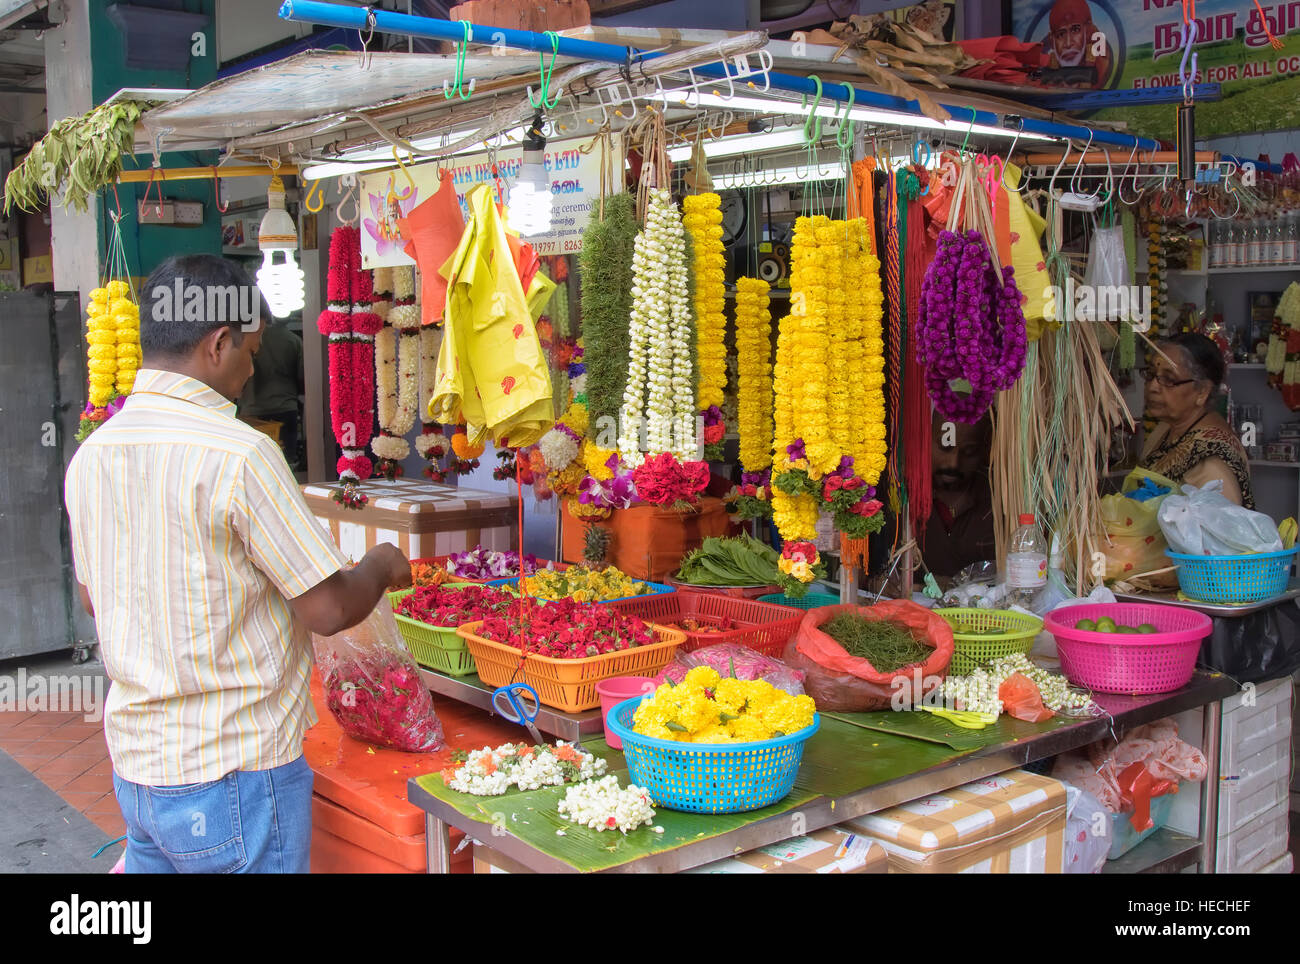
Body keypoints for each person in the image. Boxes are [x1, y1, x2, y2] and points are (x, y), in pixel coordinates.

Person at [64, 254, 411, 874]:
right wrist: (382, 565)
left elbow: (96, 598)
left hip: (140, 771)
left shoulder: (94, 454)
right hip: (232, 775)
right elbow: (328, 608)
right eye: (251, 350)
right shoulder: (242, 453)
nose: (253, 367)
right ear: (218, 343)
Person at [1140, 331, 1254, 508]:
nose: (1153, 387)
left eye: (1169, 379)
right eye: (1150, 375)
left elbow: (1215, 532)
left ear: (1202, 392)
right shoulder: (1165, 429)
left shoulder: (1213, 464)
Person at [922, 411, 997, 579]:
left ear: (985, 451)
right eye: (944, 448)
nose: (953, 463)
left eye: (969, 452)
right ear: (925, 441)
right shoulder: (903, 500)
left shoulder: (998, 502)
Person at [240, 318, 304, 468]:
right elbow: (302, 377)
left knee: (255, 464)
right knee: (286, 463)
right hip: (285, 406)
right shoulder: (293, 340)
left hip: (252, 407)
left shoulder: (251, 338)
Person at [1040, 0, 1112, 89]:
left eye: (1075, 30)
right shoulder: (1048, 66)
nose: (1068, 43)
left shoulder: (1100, 62)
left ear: (1088, 32)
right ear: (1052, 40)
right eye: (1060, 34)